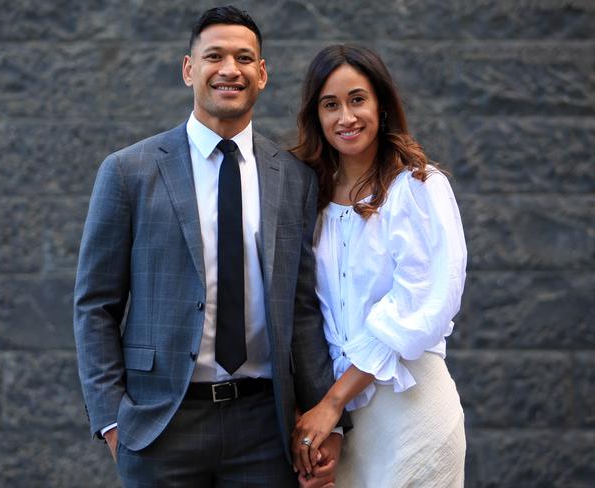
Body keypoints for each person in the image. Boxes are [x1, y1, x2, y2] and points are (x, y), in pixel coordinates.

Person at [73, 7, 350, 488]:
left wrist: (329, 416)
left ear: (261, 74)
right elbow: (95, 304)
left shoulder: (294, 178)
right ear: (188, 69)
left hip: (266, 427)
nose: (230, 69)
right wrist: (112, 420)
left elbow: (302, 309)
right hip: (162, 426)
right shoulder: (129, 171)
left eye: (245, 58)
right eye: (214, 56)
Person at [290, 45, 467, 487]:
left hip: (410, 410)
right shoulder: (307, 200)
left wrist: (333, 402)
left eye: (357, 99)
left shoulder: (419, 188)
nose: (346, 117)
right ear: (316, 116)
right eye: (330, 105)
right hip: (342, 426)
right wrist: (325, 419)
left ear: (381, 105)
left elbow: (419, 305)